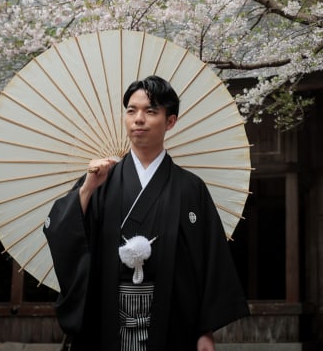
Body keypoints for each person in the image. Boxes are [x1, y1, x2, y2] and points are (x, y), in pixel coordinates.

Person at [44, 75, 249, 351]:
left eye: (150, 111)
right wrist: (86, 189)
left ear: (170, 121)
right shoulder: (99, 181)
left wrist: (204, 330)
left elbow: (209, 260)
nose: (138, 119)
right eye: (131, 110)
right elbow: (62, 233)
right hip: (106, 318)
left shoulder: (190, 188)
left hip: (173, 321)